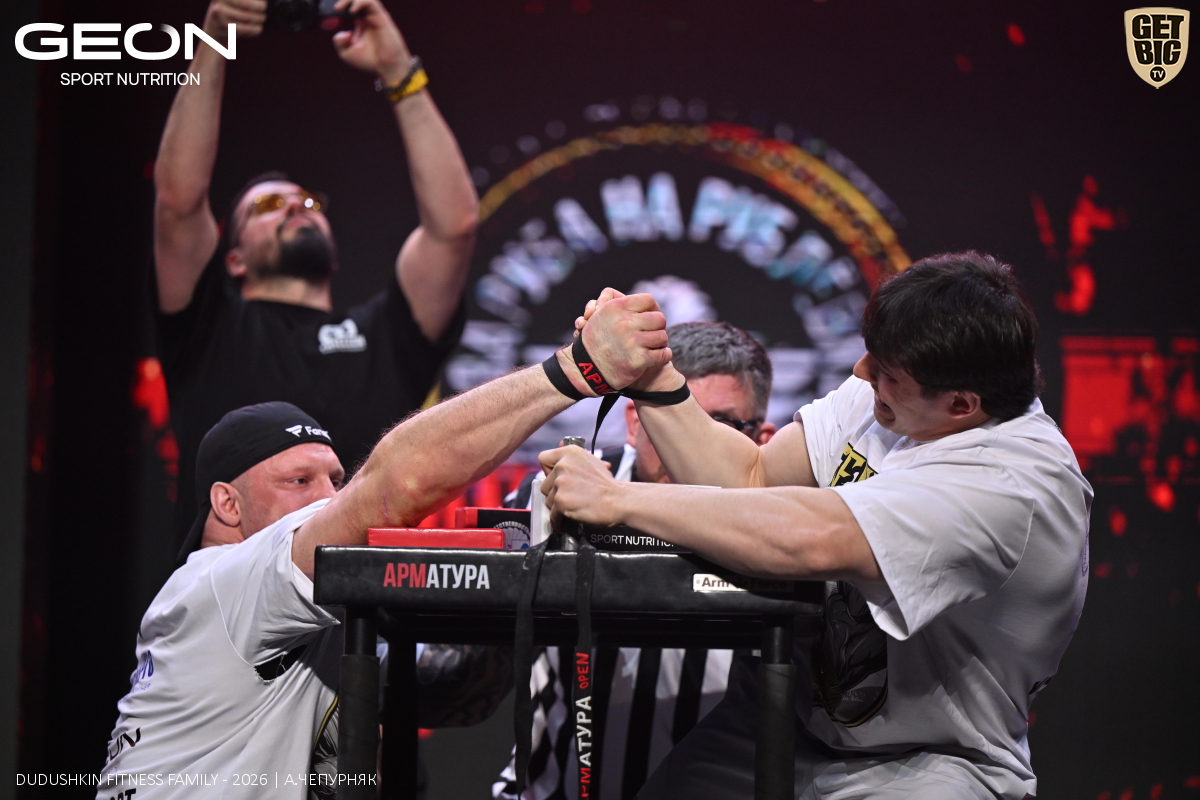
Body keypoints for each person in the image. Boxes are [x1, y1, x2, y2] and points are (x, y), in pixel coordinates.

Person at [542, 252, 1093, 799]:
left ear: (961, 404)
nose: (861, 373)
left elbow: (813, 539)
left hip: (929, 758)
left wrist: (618, 499)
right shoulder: (891, 397)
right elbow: (752, 479)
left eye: (887, 373)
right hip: (788, 722)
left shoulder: (1010, 482)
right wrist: (651, 374)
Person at [98, 294, 671, 796]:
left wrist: (529, 562)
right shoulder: (222, 583)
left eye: (335, 481)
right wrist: (575, 369)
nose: (327, 499)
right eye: (298, 481)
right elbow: (397, 486)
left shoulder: (313, 614)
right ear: (227, 504)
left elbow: (452, 691)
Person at [153, 0, 478, 547]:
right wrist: (211, 43)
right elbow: (178, 202)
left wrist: (398, 72)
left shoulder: (383, 337)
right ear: (233, 258)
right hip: (232, 588)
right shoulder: (208, 327)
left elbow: (454, 228)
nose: (294, 207)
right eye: (267, 206)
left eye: (307, 202)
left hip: (361, 593)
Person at [493, 322, 777, 800]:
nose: (687, 447)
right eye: (669, 418)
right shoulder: (551, 492)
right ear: (633, 420)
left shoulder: (779, 522)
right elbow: (465, 670)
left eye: (721, 428)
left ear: (762, 440)